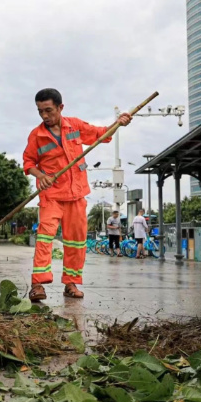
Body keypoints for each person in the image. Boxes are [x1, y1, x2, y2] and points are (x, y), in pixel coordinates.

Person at [24, 88, 132, 301]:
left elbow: (101, 134)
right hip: (52, 195)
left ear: (60, 107)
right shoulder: (37, 135)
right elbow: (28, 163)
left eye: (48, 110)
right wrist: (40, 175)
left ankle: (71, 284)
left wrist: (118, 123)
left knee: (76, 242)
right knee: (45, 238)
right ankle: (38, 285)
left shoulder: (74, 126)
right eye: (40, 111)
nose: (45, 116)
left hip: (76, 194)